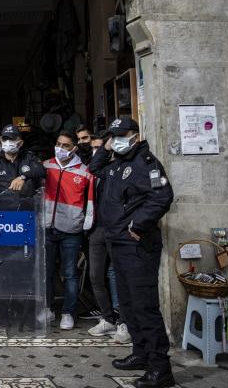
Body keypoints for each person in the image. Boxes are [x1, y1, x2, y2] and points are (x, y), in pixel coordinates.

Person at [89, 118, 175, 388]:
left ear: (135, 136)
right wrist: (105, 143)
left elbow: (162, 197)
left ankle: (160, 369)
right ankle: (141, 354)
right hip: (118, 242)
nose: (116, 140)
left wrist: (138, 224)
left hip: (137, 244)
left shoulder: (145, 163)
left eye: (121, 135)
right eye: (113, 136)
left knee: (144, 307)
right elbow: (94, 167)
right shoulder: (117, 162)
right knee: (127, 305)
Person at [43, 131, 96, 331]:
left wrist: (85, 224)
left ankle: (68, 312)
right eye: (58, 144)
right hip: (48, 226)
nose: (60, 148)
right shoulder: (45, 166)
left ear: (74, 148)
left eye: (65, 145)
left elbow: (90, 202)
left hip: (71, 229)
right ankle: (47, 308)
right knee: (46, 272)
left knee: (70, 273)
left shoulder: (84, 172)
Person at [85, 129, 129, 342]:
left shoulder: (120, 168)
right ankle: (108, 318)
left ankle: (124, 321)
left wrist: (108, 147)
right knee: (95, 275)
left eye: (99, 147)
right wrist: (102, 148)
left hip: (117, 229)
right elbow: (93, 167)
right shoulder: (99, 169)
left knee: (116, 275)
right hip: (97, 228)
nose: (96, 151)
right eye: (93, 148)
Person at [0, 124, 45, 196]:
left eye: (11, 139)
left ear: (20, 143)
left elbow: (41, 170)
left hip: (25, 204)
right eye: (5, 139)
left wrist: (23, 177)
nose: (7, 142)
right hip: (0, 204)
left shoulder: (28, 157)